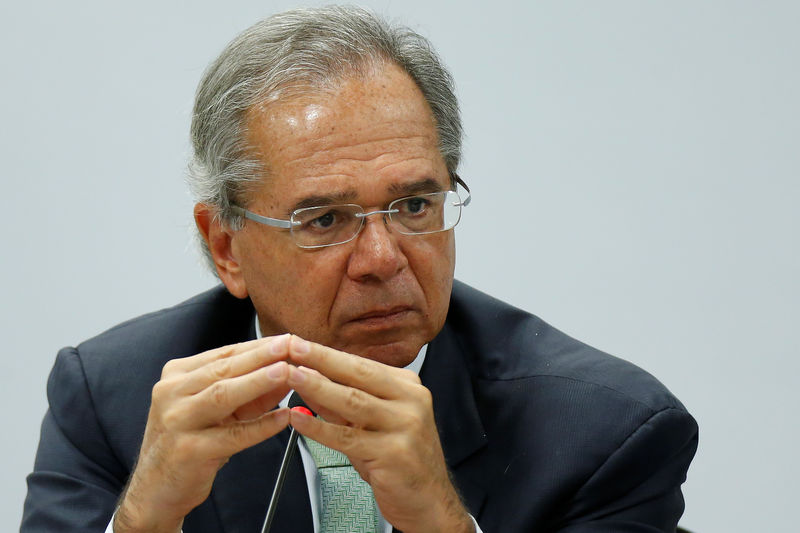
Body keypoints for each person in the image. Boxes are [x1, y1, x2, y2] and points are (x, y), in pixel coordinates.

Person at [22, 6, 698, 533]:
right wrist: (141, 521)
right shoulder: (114, 403)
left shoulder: (604, 433)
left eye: (412, 204)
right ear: (226, 246)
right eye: (325, 220)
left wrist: (442, 521)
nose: (383, 258)